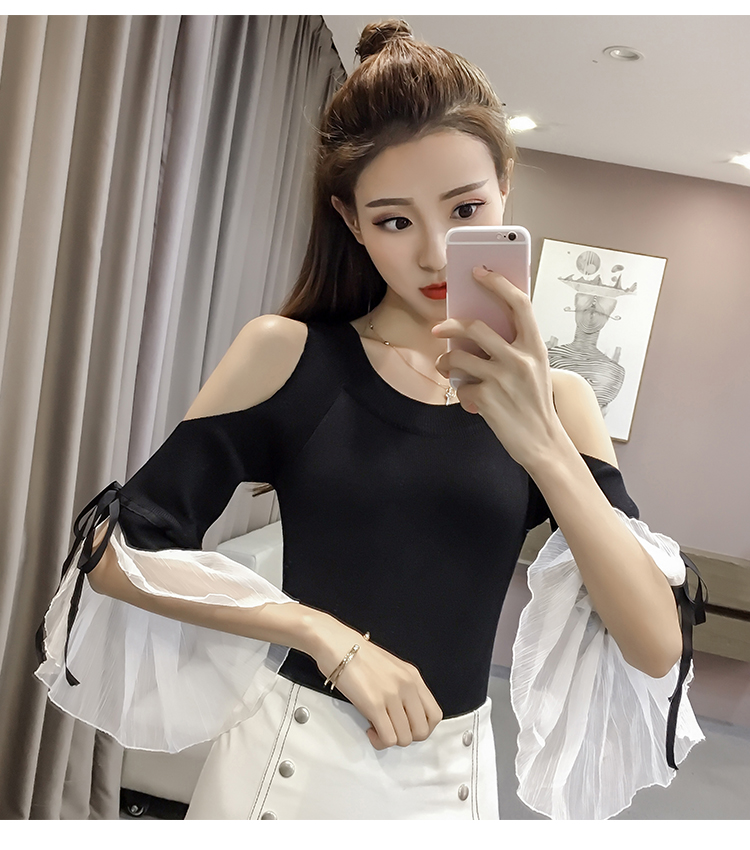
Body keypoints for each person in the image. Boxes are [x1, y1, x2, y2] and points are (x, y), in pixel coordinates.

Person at [35, 20, 705, 820]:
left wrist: (543, 446)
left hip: (454, 785)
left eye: (465, 208)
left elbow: (655, 645)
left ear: (504, 187)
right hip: (287, 775)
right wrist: (322, 633)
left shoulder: (560, 401)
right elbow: (114, 552)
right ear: (351, 221)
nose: (435, 252)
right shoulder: (290, 357)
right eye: (394, 220)